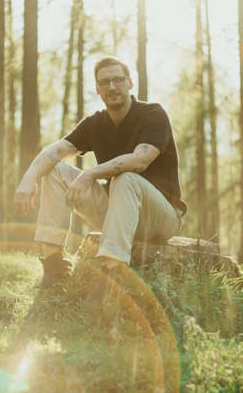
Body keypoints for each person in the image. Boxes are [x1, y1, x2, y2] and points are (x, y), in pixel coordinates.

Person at [14, 56, 186, 310]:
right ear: (97, 89)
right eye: (105, 82)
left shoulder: (153, 114)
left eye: (118, 80)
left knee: (127, 177)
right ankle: (53, 266)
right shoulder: (95, 123)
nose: (112, 87)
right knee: (54, 171)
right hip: (118, 212)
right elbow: (56, 151)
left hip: (161, 218)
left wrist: (89, 174)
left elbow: (140, 160)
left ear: (129, 84)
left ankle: (110, 275)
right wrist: (29, 178)